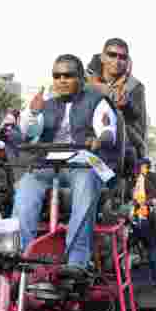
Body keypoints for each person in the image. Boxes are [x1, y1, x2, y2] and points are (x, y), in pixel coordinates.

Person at [13, 53, 118, 277]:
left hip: (84, 160)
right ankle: (27, 257)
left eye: (68, 75)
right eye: (57, 75)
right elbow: (29, 132)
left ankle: (77, 261)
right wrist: (32, 112)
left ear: (80, 77)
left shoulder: (97, 102)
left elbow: (109, 130)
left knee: (86, 182)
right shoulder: (45, 104)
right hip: (49, 161)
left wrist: (99, 140)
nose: (61, 80)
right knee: (25, 188)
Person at [86, 38, 148, 161]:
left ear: (127, 61)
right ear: (103, 57)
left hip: (121, 146)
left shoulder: (135, 87)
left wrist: (125, 106)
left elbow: (139, 126)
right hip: (84, 141)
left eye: (122, 57)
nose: (117, 61)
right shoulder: (82, 80)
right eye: (112, 55)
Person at [132, 157, 156, 286]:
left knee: (154, 246)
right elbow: (145, 199)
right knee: (154, 246)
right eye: (144, 166)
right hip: (143, 217)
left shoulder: (138, 178)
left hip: (137, 217)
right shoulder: (142, 179)